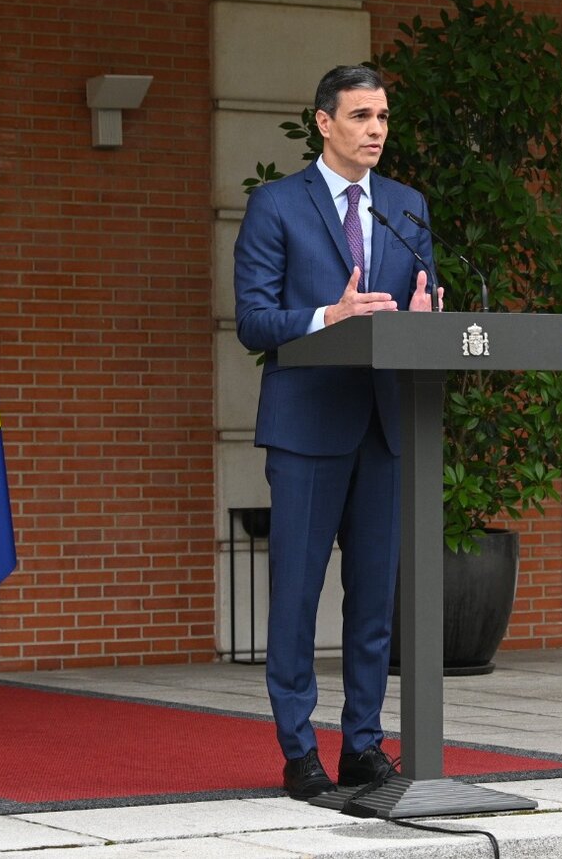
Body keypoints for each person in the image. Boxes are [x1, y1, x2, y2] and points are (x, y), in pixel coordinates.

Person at [234, 65, 438, 800]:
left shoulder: (407, 206)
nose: (375, 129)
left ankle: (363, 745)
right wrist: (332, 315)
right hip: (307, 426)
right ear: (324, 123)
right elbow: (254, 321)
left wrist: (425, 319)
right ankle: (299, 752)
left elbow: (422, 297)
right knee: (295, 596)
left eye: (382, 116)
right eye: (360, 116)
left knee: (373, 601)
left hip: (385, 425)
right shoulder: (276, 205)